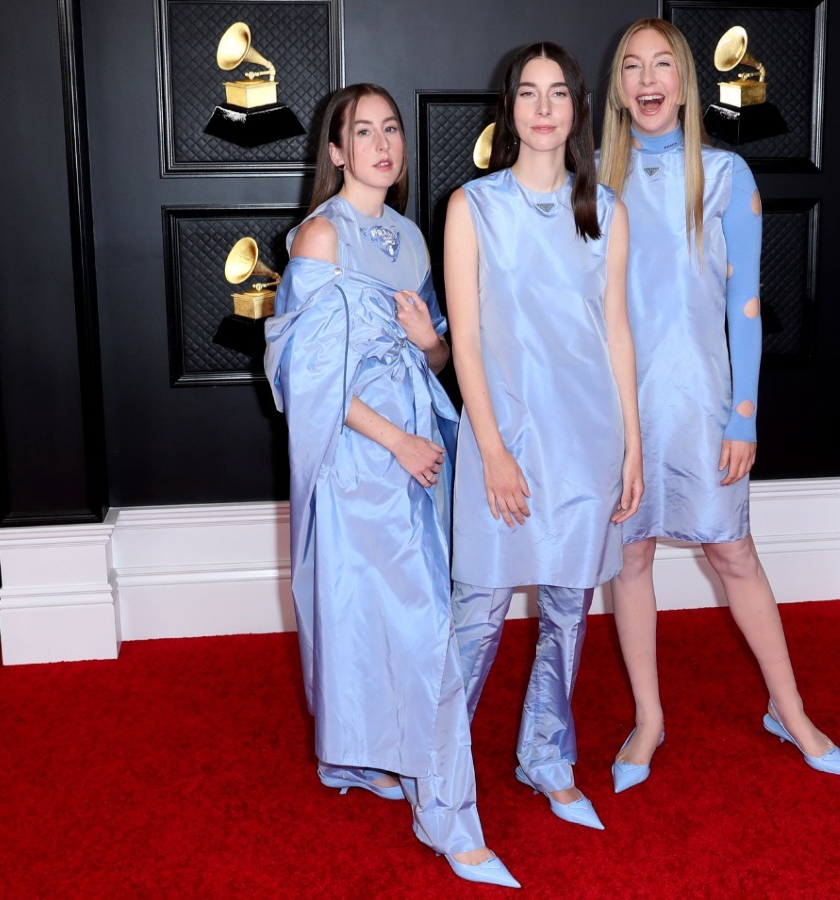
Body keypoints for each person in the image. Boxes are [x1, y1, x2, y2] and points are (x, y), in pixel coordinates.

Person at [263, 84, 519, 889]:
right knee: (411, 623)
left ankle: (364, 756)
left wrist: (430, 340)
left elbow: (437, 359)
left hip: (420, 454)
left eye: (390, 129)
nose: (381, 143)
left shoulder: (410, 235)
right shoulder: (320, 241)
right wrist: (397, 440)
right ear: (335, 152)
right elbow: (307, 383)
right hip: (362, 459)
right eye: (361, 132)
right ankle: (447, 814)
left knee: (393, 615)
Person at [596, 19, 840, 792]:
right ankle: (649, 718)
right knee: (631, 554)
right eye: (632, 66)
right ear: (618, 87)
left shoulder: (727, 175)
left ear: (684, 81)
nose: (647, 79)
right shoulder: (591, 180)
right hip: (617, 408)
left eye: (662, 66)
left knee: (734, 553)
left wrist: (743, 415)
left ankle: (791, 710)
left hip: (700, 400)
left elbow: (746, 305)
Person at [444, 42, 643, 832]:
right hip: (506, 436)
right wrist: (490, 447)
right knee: (479, 612)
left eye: (558, 93)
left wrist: (631, 444)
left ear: (576, 108)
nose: (543, 107)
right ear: (511, 107)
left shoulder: (610, 210)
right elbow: (464, 342)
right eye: (528, 93)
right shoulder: (473, 207)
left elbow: (618, 335)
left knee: (568, 606)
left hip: (587, 439)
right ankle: (437, 763)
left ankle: (546, 755)